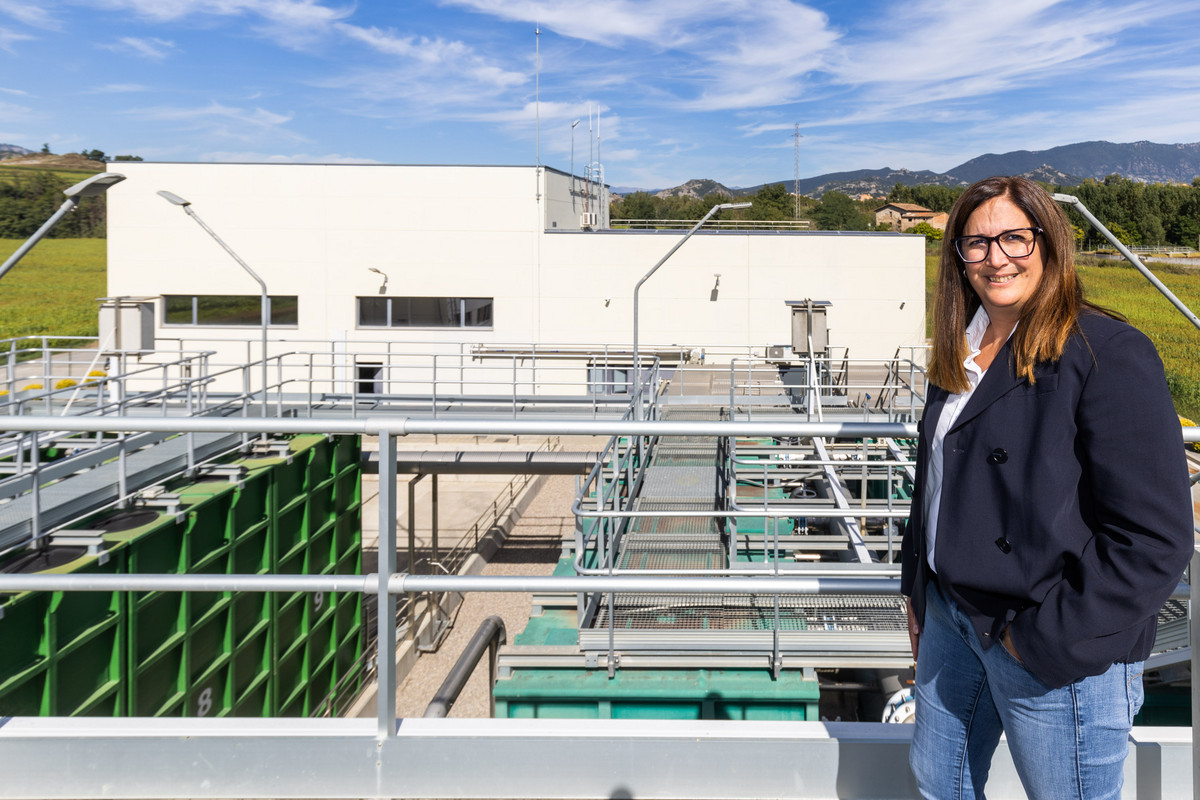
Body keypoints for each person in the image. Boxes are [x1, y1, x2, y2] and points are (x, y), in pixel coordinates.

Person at [900, 175, 1193, 799]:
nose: (995, 257)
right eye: (975, 243)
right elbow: (936, 478)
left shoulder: (1106, 352)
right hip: (955, 620)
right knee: (937, 785)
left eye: (1014, 237)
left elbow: (1155, 539)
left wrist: (1039, 638)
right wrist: (918, 590)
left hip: (1051, 642)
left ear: (1049, 243)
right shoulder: (962, 348)